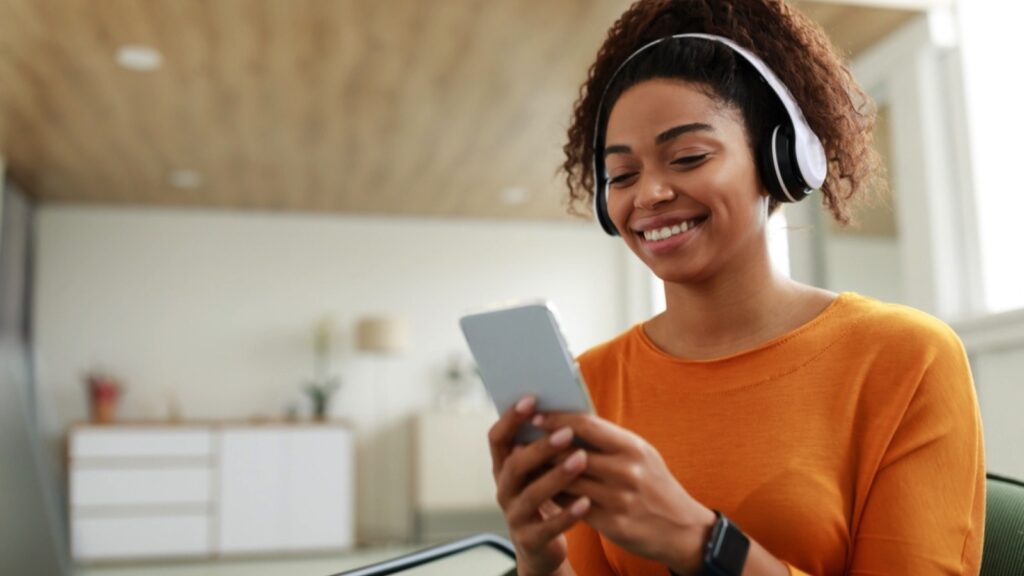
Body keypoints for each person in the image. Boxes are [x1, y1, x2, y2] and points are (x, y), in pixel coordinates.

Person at [486, 1, 986, 575]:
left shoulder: (906, 358)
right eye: (621, 175)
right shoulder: (593, 381)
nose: (647, 195)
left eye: (688, 156)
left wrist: (700, 540)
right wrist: (538, 561)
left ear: (779, 161)